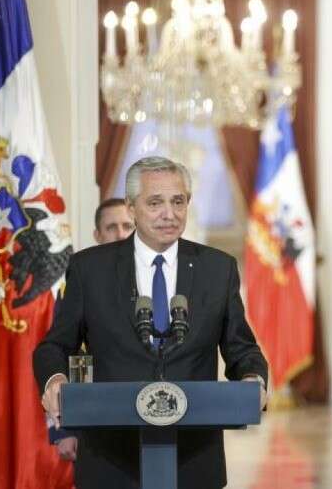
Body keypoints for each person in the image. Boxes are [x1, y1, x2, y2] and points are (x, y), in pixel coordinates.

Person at [33, 156, 268, 489]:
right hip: (111, 460)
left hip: (193, 459)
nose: (169, 214)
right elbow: (54, 346)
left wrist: (253, 378)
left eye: (178, 201)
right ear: (131, 207)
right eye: (155, 203)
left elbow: (241, 348)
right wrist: (55, 379)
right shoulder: (90, 269)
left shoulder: (218, 269)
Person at [50, 198, 136, 462]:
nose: (120, 233)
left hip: (152, 417)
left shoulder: (158, 278)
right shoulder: (80, 282)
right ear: (98, 235)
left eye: (127, 226)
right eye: (111, 227)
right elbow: (67, 354)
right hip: (96, 421)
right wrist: (66, 428)